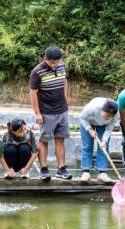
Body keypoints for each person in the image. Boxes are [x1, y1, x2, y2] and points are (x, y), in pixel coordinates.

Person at [29, 45, 72, 182]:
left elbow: (64, 81)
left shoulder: (61, 66)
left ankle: (62, 169)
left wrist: (65, 99)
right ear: (46, 59)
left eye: (57, 62)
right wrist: (37, 113)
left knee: (60, 139)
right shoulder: (37, 72)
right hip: (46, 112)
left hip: (62, 110)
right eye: (52, 62)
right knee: (44, 140)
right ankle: (44, 169)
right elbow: (33, 93)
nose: (55, 65)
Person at [79, 98, 119, 183]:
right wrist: (89, 130)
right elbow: (82, 118)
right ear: (102, 110)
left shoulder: (116, 114)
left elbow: (109, 128)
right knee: (87, 146)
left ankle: (102, 173)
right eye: (106, 115)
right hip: (88, 121)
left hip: (104, 126)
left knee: (104, 148)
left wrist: (104, 140)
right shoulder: (92, 107)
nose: (107, 118)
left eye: (110, 117)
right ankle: (85, 172)